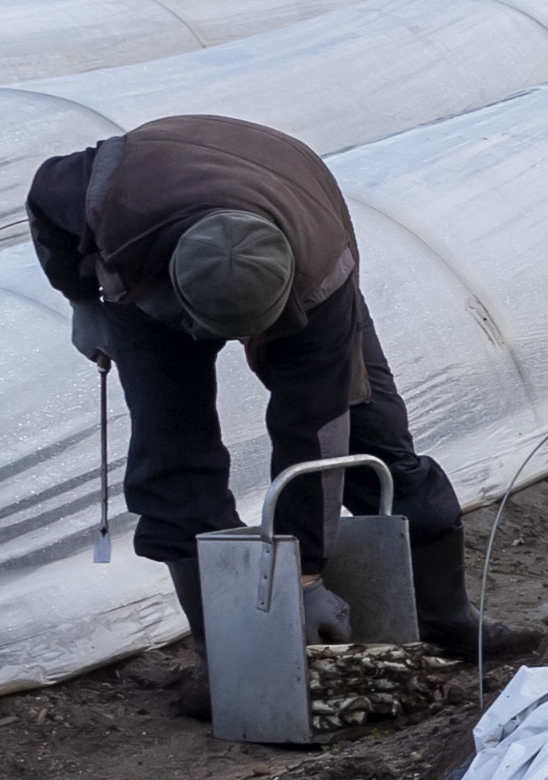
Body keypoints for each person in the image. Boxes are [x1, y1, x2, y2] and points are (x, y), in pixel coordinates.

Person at [28, 114, 507, 703]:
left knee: (372, 439)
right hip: (153, 268)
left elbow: (314, 431)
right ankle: (226, 663)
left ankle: (445, 621)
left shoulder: (319, 285)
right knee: (172, 460)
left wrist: (303, 576)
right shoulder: (109, 201)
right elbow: (44, 200)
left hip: (293, 232)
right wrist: (80, 300)